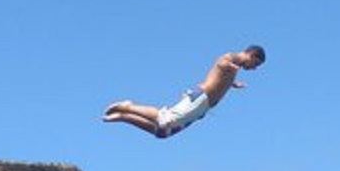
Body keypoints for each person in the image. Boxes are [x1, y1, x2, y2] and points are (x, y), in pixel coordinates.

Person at [103, 45, 266, 138]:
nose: (254, 68)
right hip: (200, 98)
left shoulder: (235, 68)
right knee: (165, 120)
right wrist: (231, 68)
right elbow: (222, 62)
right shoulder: (233, 58)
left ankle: (124, 117)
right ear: (252, 55)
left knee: (164, 132)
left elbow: (222, 77)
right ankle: (128, 106)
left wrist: (232, 83)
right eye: (256, 64)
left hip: (203, 107)